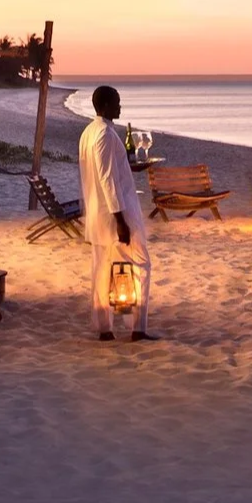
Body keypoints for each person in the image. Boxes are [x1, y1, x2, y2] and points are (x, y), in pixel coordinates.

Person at [78, 85, 152, 341]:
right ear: (106, 105)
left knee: (100, 269)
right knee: (141, 264)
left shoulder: (89, 132)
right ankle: (138, 328)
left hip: (99, 214)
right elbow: (107, 178)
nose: (121, 107)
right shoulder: (104, 135)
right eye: (117, 102)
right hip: (115, 214)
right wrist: (120, 219)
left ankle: (104, 329)